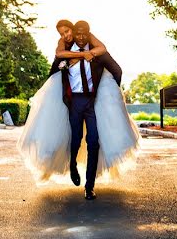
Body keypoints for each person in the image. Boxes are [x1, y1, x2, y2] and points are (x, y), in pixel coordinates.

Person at [16, 20, 139, 199]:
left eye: (84, 34)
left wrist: (109, 95)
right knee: (75, 139)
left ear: (88, 34)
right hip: (74, 102)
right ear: (74, 33)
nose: (80, 38)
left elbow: (117, 71)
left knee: (94, 141)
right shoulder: (65, 54)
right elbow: (53, 75)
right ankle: (72, 164)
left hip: (92, 102)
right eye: (77, 34)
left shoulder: (97, 53)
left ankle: (89, 187)